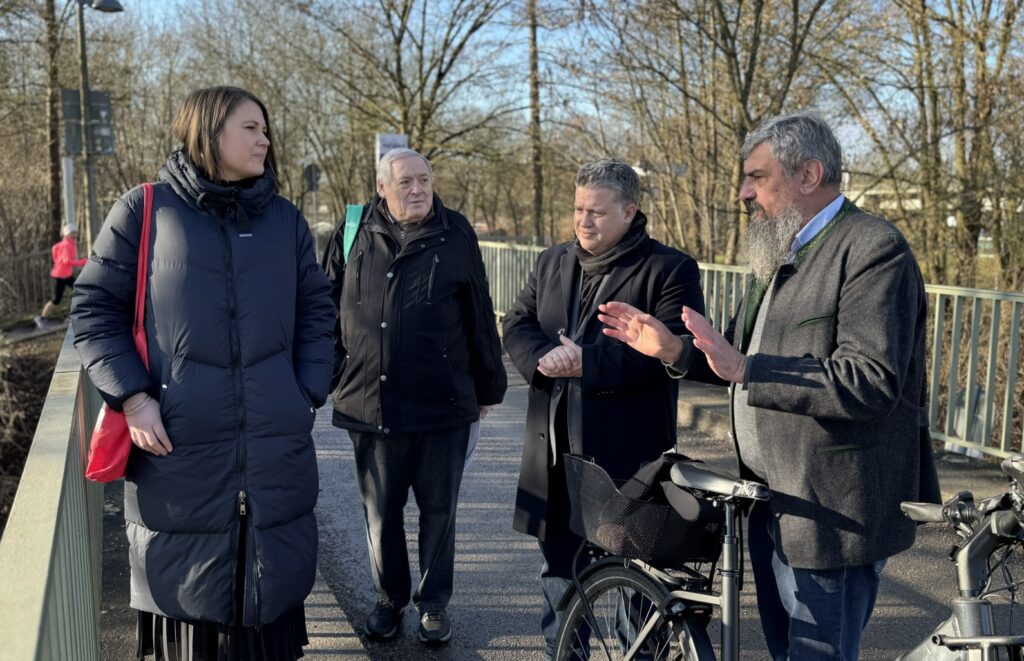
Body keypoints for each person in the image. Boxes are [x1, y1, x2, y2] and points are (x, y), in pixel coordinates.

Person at [598, 111, 941, 660]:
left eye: (757, 177)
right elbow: (732, 361)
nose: (742, 193)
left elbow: (870, 381)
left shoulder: (873, 249)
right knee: (785, 650)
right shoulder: (778, 252)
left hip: (832, 511)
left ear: (808, 174)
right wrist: (673, 350)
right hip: (767, 499)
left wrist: (746, 370)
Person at [70, 86, 335, 661]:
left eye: (266, 129)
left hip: (275, 449)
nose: (265, 139)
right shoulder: (145, 210)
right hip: (179, 452)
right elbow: (93, 310)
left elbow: (319, 310)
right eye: (251, 128)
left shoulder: (285, 220)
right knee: (192, 613)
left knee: (271, 607)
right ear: (209, 131)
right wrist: (134, 398)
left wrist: (305, 392)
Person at [502, 158, 707, 659]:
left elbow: (674, 351)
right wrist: (546, 360)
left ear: (629, 211)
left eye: (596, 211)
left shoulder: (668, 268)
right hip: (555, 452)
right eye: (578, 209)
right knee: (558, 577)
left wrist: (587, 362)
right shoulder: (553, 261)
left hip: (627, 459)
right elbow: (517, 322)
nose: (583, 221)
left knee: (636, 582)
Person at [322, 148, 507, 645]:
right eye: (406, 181)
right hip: (369, 403)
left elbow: (478, 309)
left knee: (439, 511)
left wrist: (489, 385)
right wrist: (330, 375)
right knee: (381, 514)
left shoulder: (456, 231)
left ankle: (433, 604)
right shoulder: (351, 231)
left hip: (442, 403)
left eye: (424, 179)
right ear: (382, 187)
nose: (418, 189)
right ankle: (389, 600)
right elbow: (323, 309)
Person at [35, 223, 87, 329]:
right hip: (60, 276)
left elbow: (57, 257)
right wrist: (84, 261)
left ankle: (71, 316)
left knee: (80, 290)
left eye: (76, 232)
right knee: (56, 299)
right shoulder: (67, 245)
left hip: (65, 275)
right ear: (67, 234)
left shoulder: (69, 244)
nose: (75, 235)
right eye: (72, 233)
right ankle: (41, 318)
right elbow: (67, 261)